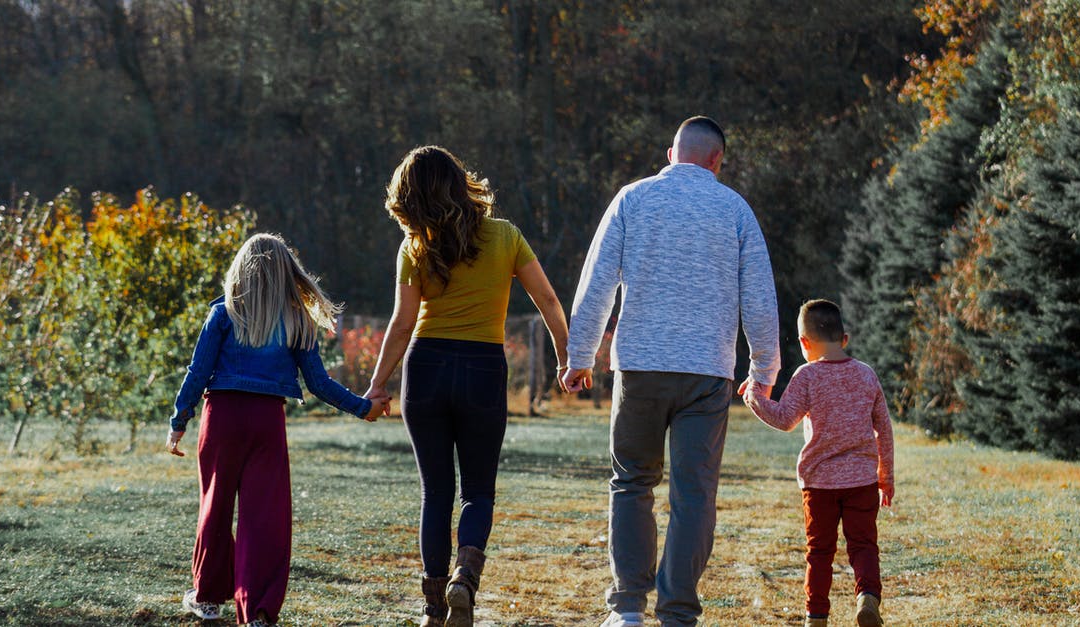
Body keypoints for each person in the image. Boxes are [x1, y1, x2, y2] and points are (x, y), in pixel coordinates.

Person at [562, 116, 781, 627]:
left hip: (639, 366)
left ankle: (629, 609)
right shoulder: (735, 210)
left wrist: (580, 355)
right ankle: (679, 612)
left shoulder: (632, 199)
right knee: (694, 494)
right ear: (716, 160)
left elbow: (597, 283)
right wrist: (764, 368)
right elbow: (761, 298)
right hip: (707, 374)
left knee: (632, 482)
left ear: (670, 154)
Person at [363, 145, 570, 627]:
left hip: (427, 367)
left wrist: (377, 385)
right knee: (477, 492)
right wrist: (568, 359)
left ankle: (434, 610)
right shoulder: (505, 236)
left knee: (435, 492)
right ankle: (464, 580)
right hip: (481, 369)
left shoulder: (416, 245)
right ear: (460, 182)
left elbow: (401, 322)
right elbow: (549, 300)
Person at [166, 233, 388, 627]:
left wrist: (179, 421)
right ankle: (258, 611)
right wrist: (363, 408)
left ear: (240, 269)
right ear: (288, 273)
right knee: (264, 516)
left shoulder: (223, 314)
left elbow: (197, 372)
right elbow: (319, 384)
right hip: (268, 421)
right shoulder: (297, 321)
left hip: (222, 418)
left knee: (215, 507)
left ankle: (207, 598)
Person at [742, 299, 894, 627]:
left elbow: (784, 419)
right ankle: (867, 597)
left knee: (820, 552)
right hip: (861, 482)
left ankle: (816, 618)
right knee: (864, 545)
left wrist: (754, 394)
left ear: (804, 343)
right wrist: (886, 475)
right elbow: (884, 428)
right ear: (845, 338)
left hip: (818, 484)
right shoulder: (866, 375)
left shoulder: (807, 376)